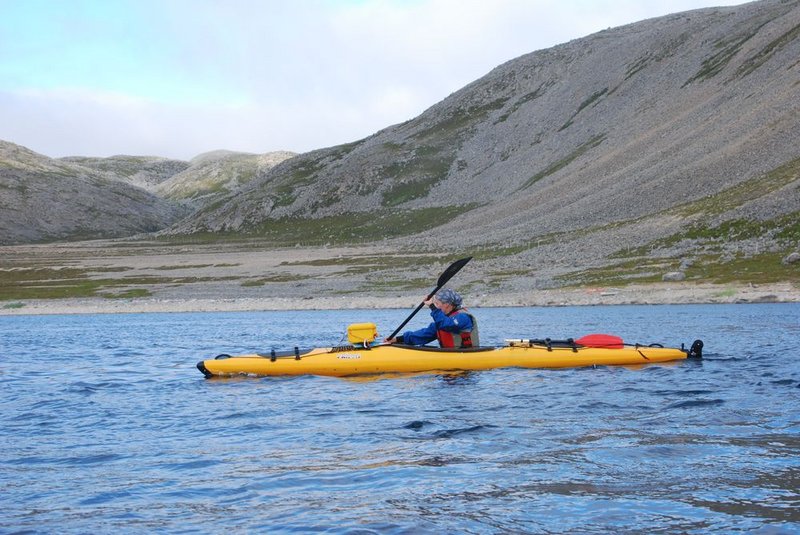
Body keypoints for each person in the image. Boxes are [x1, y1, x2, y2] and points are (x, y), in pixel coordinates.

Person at [385, 288, 480, 348]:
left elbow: (447, 324)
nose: (436, 306)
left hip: (465, 357)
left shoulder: (463, 317)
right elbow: (423, 334)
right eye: (435, 304)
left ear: (447, 305)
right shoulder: (443, 320)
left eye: (437, 304)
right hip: (450, 358)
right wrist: (396, 339)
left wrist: (432, 307)